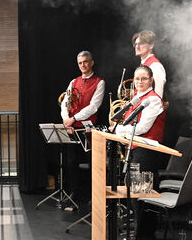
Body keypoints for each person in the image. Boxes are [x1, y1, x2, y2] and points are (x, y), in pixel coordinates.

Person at [59, 50, 105, 207]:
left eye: (85, 62)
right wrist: (66, 120)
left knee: (92, 163)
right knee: (71, 163)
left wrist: (73, 119)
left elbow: (94, 107)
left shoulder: (99, 82)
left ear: (91, 63)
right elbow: (65, 102)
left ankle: (94, 194)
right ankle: (75, 192)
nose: (83, 65)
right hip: (71, 128)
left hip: (87, 130)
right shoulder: (73, 82)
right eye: (80, 63)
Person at [112, 65, 165, 172]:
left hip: (145, 151)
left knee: (141, 182)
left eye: (144, 78)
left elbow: (142, 128)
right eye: (137, 79)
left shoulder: (153, 99)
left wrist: (119, 129)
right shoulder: (136, 98)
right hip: (133, 148)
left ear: (151, 80)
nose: (140, 82)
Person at [132, 30, 166, 97]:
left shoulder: (155, 66)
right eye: (135, 44)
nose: (137, 47)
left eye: (141, 43)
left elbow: (157, 96)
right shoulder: (144, 65)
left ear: (151, 46)